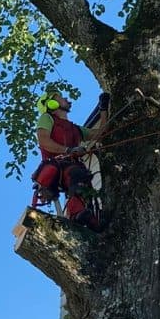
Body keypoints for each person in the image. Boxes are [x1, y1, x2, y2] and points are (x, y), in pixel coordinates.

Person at [33, 90, 110, 229]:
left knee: (82, 180)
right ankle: (76, 213)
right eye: (61, 97)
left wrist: (103, 109)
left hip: (72, 168)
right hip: (55, 165)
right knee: (77, 174)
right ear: (52, 103)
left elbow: (100, 133)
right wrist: (68, 150)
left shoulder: (74, 129)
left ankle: (90, 219)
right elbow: (44, 141)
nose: (66, 98)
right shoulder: (47, 118)